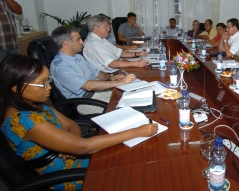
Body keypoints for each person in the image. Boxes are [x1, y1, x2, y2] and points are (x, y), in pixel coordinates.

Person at [0, 55, 158, 190]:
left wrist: (70, 147)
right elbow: (84, 146)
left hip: (73, 156)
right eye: (42, 84)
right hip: (64, 175)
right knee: (136, 172)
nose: (48, 88)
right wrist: (137, 131)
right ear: (16, 87)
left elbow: (71, 125)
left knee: (134, 157)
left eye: (48, 81)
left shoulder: (36, 104)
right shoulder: (24, 121)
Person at [51, 26, 137, 114]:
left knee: (132, 95)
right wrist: (119, 82)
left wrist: (111, 77)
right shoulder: (60, 67)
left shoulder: (78, 57)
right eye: (78, 39)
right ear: (66, 43)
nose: (82, 42)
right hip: (84, 102)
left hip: (95, 93)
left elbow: (96, 73)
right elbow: (88, 86)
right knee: (127, 107)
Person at [83, 15, 148, 73]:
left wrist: (137, 54)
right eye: (106, 26)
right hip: (109, 74)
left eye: (109, 26)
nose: (109, 29)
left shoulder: (101, 40)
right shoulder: (94, 44)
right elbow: (111, 63)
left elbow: (119, 52)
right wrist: (136, 63)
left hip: (115, 69)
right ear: (96, 28)